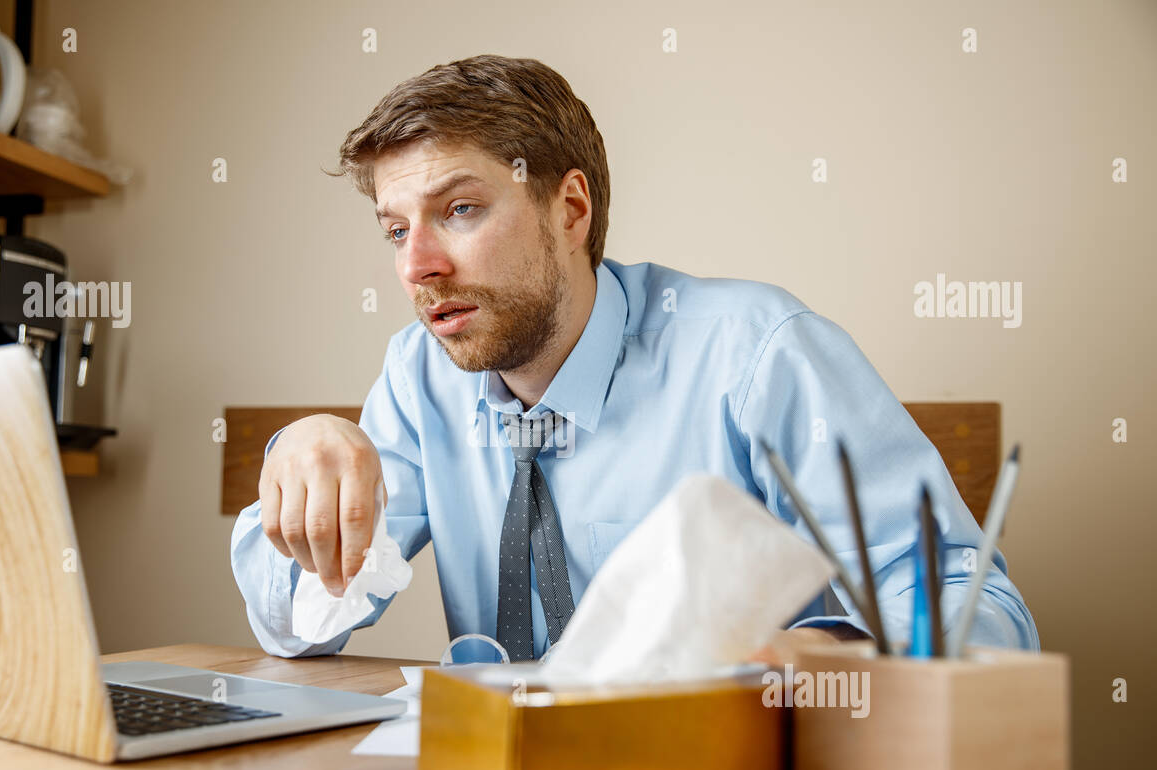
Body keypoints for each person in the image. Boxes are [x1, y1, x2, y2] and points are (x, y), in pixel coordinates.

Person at [231, 54, 1038, 664]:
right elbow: (300, 627)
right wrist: (298, 471)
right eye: (397, 230)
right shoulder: (420, 377)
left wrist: (825, 661)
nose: (417, 266)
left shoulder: (756, 354)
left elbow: (980, 610)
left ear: (570, 209)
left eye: (461, 208)